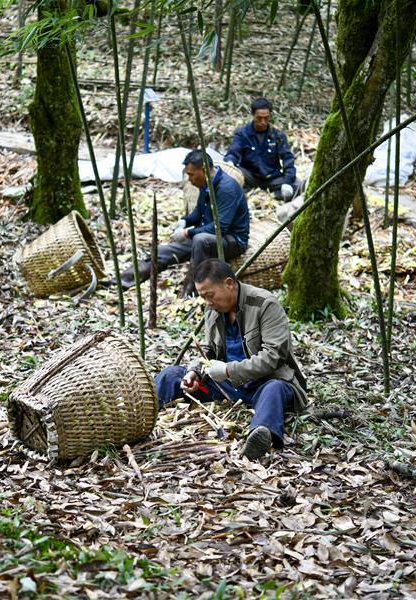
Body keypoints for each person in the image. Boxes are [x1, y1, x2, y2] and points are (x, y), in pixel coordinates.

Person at [154, 259, 308, 460]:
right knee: (171, 374)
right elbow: (208, 349)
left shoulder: (264, 304)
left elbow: (273, 356)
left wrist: (229, 371)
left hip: (263, 384)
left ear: (229, 283)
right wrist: (195, 372)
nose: (208, 303)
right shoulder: (213, 310)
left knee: (274, 390)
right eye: (203, 297)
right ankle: (140, 418)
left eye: (211, 295)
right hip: (226, 387)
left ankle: (260, 436)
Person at [118, 150, 250, 297]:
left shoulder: (227, 188)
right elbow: (198, 213)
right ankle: (121, 282)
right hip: (207, 236)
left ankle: (189, 293)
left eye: (191, 174)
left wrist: (188, 233)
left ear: (204, 170)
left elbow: (220, 228)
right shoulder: (206, 185)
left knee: (201, 240)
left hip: (232, 240)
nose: (190, 179)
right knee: (163, 251)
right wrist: (184, 221)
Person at [223, 97, 302, 200]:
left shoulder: (277, 135)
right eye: (259, 118)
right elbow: (234, 152)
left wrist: (287, 181)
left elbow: (288, 159)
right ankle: (246, 194)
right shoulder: (242, 133)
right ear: (253, 115)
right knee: (227, 179)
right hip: (249, 176)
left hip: (272, 178)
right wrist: (230, 163)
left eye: (266, 118)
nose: (263, 122)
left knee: (299, 185)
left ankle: (274, 196)